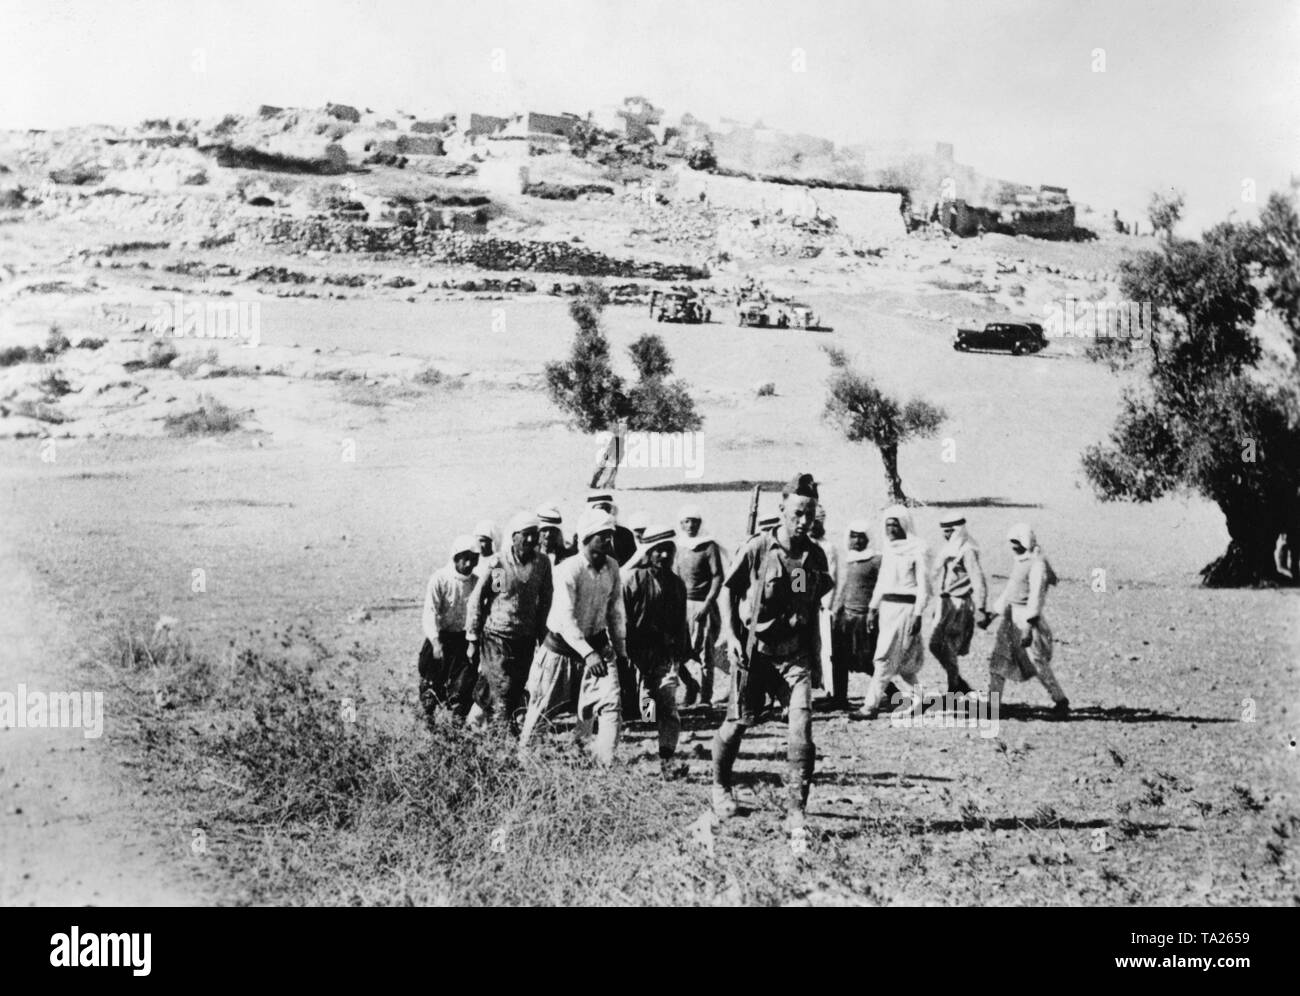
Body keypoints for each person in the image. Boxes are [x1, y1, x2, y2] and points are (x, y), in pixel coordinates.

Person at [712, 473, 833, 837]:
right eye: (797, 513)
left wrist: (806, 634)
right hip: (755, 653)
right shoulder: (758, 549)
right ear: (781, 510)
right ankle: (720, 785)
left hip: (792, 658)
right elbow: (728, 592)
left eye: (809, 514)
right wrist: (730, 635)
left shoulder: (810, 555)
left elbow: (802, 595)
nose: (803, 521)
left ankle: (796, 810)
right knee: (738, 724)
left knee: (801, 728)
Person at [518, 509, 629, 765]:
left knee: (609, 705)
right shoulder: (568, 570)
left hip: (598, 646)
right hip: (561, 650)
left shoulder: (612, 567)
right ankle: (524, 762)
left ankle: (602, 763)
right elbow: (565, 618)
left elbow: (614, 611)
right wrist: (587, 653)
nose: (608, 542)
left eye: (610, 536)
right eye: (602, 536)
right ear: (588, 537)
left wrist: (620, 652)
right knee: (541, 710)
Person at [465, 512, 553, 735]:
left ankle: (473, 727)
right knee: (502, 686)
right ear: (514, 537)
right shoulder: (500, 564)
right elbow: (484, 598)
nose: (531, 541)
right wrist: (473, 638)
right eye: (526, 535)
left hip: (525, 637)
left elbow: (545, 600)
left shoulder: (542, 564)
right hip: (497, 636)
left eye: (535, 535)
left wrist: (543, 635)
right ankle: (502, 739)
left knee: (513, 686)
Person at [622, 524, 690, 780]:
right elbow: (622, 622)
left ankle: (666, 760)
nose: (663, 556)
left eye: (668, 551)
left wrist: (678, 660)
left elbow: (681, 625)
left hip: (664, 655)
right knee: (643, 708)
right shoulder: (633, 581)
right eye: (658, 551)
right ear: (647, 552)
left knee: (668, 706)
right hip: (634, 655)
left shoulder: (677, 585)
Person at [982, 523, 1069, 714]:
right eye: (1011, 542)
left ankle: (1060, 700)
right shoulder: (1020, 562)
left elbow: (1036, 595)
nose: (1013, 546)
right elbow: (1009, 593)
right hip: (1010, 618)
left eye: (1016, 542)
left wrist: (1029, 625)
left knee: (1037, 662)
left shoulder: (1037, 563)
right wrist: (993, 615)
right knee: (999, 660)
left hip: (1026, 619)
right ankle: (992, 704)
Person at [855, 505, 930, 719]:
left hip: (906, 609)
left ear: (904, 525)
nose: (890, 528)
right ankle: (922, 700)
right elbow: (882, 581)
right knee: (904, 664)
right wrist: (873, 608)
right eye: (887, 524)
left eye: (895, 524)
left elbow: (923, 585)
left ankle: (870, 706)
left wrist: (918, 614)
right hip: (887, 609)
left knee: (883, 659)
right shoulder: (888, 548)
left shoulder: (918, 548)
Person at [418, 534, 480, 724]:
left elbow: (495, 598)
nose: (468, 563)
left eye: (473, 558)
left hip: (464, 643)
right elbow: (430, 612)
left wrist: (473, 642)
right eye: (464, 558)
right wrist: (436, 643)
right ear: (455, 557)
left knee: (461, 694)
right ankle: (429, 728)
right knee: (431, 691)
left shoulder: (477, 582)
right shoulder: (440, 579)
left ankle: (456, 734)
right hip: (441, 640)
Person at [928, 514, 989, 695]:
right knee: (936, 644)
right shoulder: (950, 549)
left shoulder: (967, 550)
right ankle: (957, 683)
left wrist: (981, 608)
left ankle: (954, 686)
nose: (945, 535)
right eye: (944, 532)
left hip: (959, 603)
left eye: (949, 532)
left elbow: (978, 580)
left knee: (947, 645)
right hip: (945, 602)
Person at [828, 518, 881, 709]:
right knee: (839, 659)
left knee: (867, 662)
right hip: (845, 619)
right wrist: (835, 612)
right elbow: (843, 588)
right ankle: (839, 699)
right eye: (853, 537)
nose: (857, 541)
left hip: (864, 619)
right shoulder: (849, 560)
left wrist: (874, 613)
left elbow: (882, 589)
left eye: (861, 537)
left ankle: (894, 695)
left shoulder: (876, 560)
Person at [675, 504, 725, 706]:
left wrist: (706, 605)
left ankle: (705, 698)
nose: (690, 526)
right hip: (683, 606)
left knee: (705, 654)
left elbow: (717, 576)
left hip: (704, 606)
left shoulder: (708, 546)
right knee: (677, 652)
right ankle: (690, 686)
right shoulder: (679, 546)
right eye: (686, 521)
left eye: (694, 521)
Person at [811, 506, 840, 701]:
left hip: (822, 606)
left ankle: (831, 691)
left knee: (826, 650)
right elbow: (800, 577)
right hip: (805, 605)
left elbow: (831, 577)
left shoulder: (827, 547)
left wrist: (825, 604)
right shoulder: (802, 546)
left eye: (818, 522)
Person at [582, 492, 638, 566]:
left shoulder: (625, 533)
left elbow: (632, 561)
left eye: (607, 508)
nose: (604, 512)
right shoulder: (582, 534)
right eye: (600, 508)